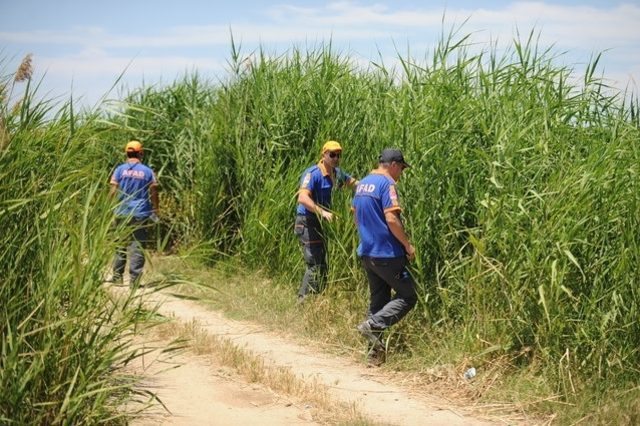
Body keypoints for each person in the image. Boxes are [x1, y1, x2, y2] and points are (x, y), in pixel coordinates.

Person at [351, 148, 418, 366]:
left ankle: (373, 356)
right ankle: (373, 325)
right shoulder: (386, 184)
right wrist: (407, 245)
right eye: (401, 169)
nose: (400, 174)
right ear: (394, 165)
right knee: (409, 295)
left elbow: (356, 217)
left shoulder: (362, 184)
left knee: (378, 300)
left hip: (367, 252)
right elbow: (391, 218)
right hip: (387, 253)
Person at [295, 140, 358, 303]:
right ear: (323, 155)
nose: (336, 158)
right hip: (308, 221)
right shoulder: (313, 173)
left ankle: (315, 299)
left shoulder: (338, 173)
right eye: (332, 154)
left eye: (338, 155)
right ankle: (304, 301)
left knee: (322, 262)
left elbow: (356, 185)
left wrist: (375, 185)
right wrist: (323, 213)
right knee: (315, 263)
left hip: (321, 222)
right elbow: (302, 197)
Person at [107, 140, 159, 287]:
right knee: (138, 246)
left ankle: (117, 278)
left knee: (120, 245)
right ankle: (134, 282)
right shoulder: (147, 171)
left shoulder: (119, 170)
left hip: (121, 212)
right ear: (140, 153)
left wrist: (107, 208)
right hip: (140, 213)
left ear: (126, 153)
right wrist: (156, 209)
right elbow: (154, 191)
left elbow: (112, 190)